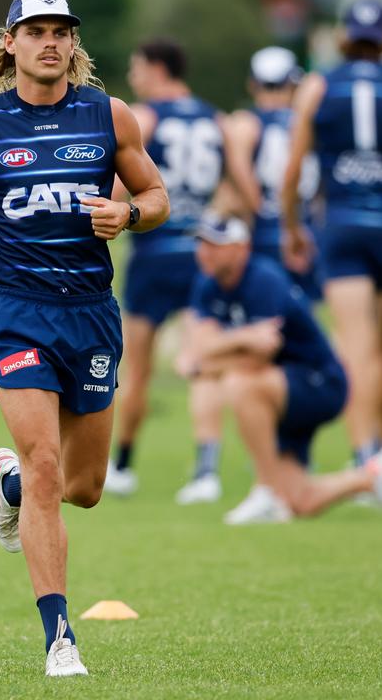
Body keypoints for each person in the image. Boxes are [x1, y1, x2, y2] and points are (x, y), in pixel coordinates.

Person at [0, 0, 168, 676]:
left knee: (83, 486)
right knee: (47, 464)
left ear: (73, 46)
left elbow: (156, 195)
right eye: (36, 31)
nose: (50, 41)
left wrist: (132, 218)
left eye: (61, 31)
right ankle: (60, 638)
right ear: (11, 44)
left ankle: (12, 485)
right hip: (17, 309)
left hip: (89, 311)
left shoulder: (110, 117)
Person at [282, 0, 382, 470]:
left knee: (354, 345)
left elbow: (293, 169)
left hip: (342, 226)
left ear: (343, 38)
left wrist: (293, 228)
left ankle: (364, 461)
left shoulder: (318, 86)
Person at [183, 211, 382, 523]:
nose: (204, 252)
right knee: (299, 501)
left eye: (215, 244)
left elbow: (255, 358)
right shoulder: (206, 285)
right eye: (202, 243)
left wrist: (212, 355)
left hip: (321, 383)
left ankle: (265, 491)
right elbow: (196, 348)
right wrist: (241, 338)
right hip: (282, 389)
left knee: (242, 385)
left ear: (242, 247)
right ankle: (374, 476)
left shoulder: (263, 279)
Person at [103, 39, 227, 503]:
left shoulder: (147, 116)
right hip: (201, 253)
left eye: (137, 68)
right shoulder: (217, 119)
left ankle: (123, 466)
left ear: (157, 69)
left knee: (137, 369)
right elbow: (240, 188)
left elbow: (119, 189)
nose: (134, 76)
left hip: (156, 253)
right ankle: (206, 471)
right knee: (203, 364)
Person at [223, 46, 322, 300]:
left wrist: (259, 207)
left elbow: (240, 172)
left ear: (254, 84)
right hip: (305, 228)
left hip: (264, 230)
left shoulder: (246, 123)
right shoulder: (306, 123)